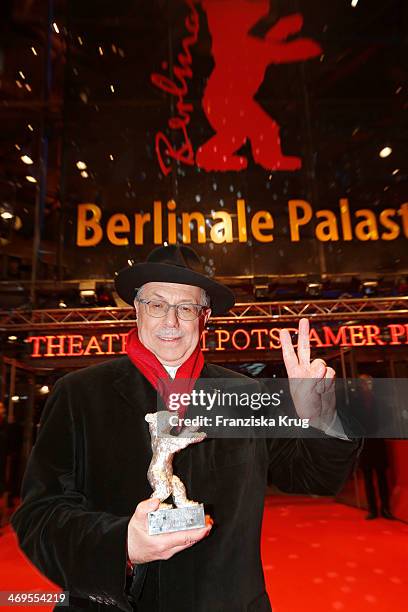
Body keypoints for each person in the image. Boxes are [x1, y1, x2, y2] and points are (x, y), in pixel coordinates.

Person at [11, 245, 361, 612]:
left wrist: (319, 419)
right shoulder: (80, 394)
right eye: (157, 304)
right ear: (137, 308)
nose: (171, 322)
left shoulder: (244, 395)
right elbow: (39, 516)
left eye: (186, 308)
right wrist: (121, 545)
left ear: (204, 316)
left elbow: (313, 476)